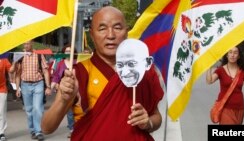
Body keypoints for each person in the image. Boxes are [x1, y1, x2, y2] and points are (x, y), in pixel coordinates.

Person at [41, 6, 164, 141]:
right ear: (92, 34)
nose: (110, 35)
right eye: (102, 28)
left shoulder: (142, 70)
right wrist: (63, 100)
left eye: (117, 28)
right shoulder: (79, 73)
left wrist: (148, 123)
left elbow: (156, 117)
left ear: (126, 32)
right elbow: (47, 128)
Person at [14, 40, 51, 141]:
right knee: (29, 110)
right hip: (25, 85)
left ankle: (38, 131)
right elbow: (17, 74)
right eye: (24, 43)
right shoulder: (20, 56)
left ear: (32, 44)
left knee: (37, 108)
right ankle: (32, 131)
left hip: (38, 84)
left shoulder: (39, 55)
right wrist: (17, 88)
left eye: (28, 43)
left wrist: (48, 86)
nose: (26, 45)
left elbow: (45, 71)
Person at [206, 41, 244, 125]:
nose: (232, 55)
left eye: (235, 53)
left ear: (239, 56)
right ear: (227, 55)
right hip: (225, 108)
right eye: (230, 52)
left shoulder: (243, 72)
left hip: (240, 109)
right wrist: (209, 67)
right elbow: (209, 81)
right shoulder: (221, 70)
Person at [51, 45, 76, 138]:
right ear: (63, 52)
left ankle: (80, 127)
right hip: (66, 91)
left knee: (78, 110)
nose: (68, 52)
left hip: (77, 91)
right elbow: (56, 76)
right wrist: (51, 87)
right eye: (66, 51)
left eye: (70, 50)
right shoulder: (61, 63)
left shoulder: (78, 62)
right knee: (69, 111)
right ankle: (72, 129)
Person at [0, 58, 15, 141]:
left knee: (1, 111)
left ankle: (1, 132)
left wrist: (15, 62)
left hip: (2, 89)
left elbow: (11, 70)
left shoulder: (4, 59)